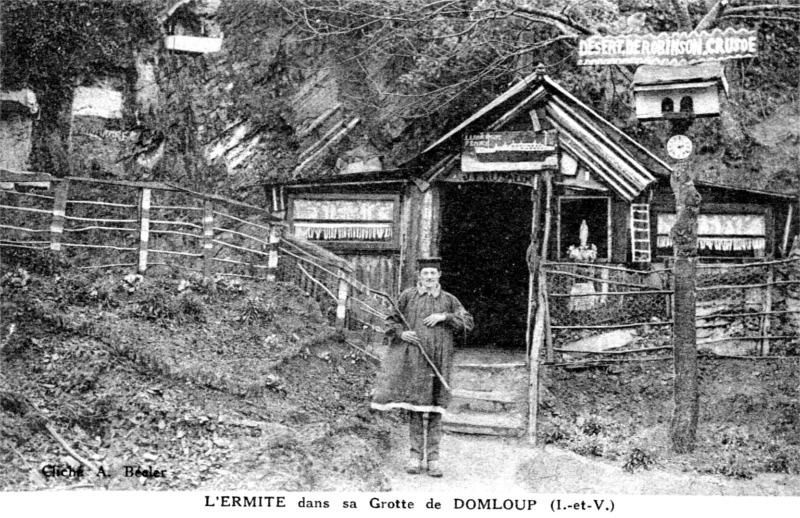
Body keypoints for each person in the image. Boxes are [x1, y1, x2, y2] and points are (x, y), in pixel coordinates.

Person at [371, 257, 473, 477]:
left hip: (439, 358)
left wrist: (445, 316)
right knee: (416, 407)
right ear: (419, 275)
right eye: (425, 273)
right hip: (416, 359)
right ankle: (415, 457)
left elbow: (467, 322)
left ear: (439, 275)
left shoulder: (449, 300)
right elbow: (391, 321)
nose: (429, 277)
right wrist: (401, 333)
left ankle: (434, 459)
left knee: (436, 408)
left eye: (433, 273)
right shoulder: (408, 297)